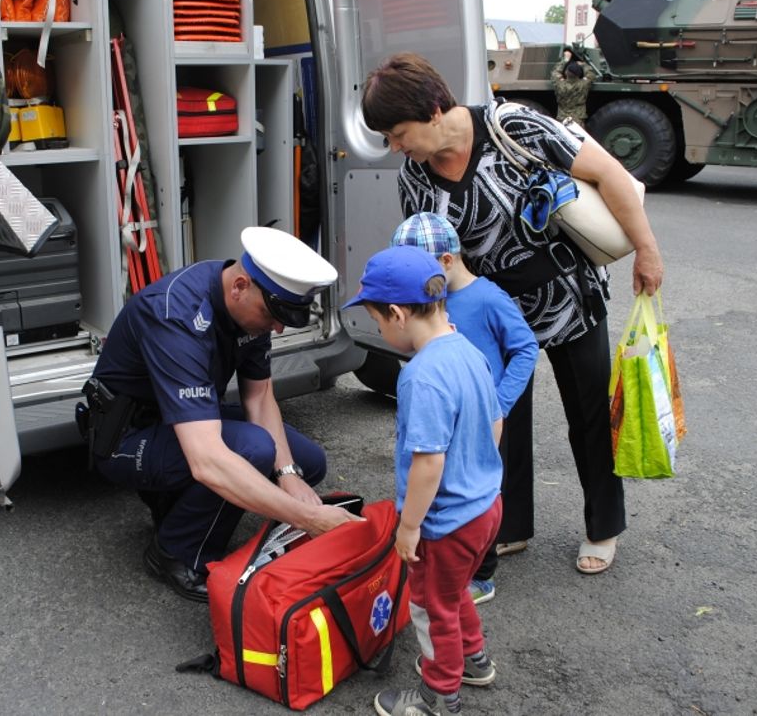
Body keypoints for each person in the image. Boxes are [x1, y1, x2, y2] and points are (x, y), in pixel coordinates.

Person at [361, 52, 664, 575]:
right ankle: (509, 524)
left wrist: (647, 250)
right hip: (488, 309)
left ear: (434, 110)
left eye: (397, 131)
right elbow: (427, 256)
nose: (395, 146)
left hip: (566, 294)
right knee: (497, 414)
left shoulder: (511, 127)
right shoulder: (414, 178)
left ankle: (603, 526)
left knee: (589, 414)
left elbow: (609, 174)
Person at [84, 226, 360, 602]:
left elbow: (260, 397)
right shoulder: (176, 317)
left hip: (184, 421)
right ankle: (174, 552)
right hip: (128, 436)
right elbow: (207, 461)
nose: (277, 327)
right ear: (239, 286)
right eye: (272, 314)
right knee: (252, 451)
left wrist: (289, 475)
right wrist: (306, 517)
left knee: (306, 463)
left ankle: (178, 502)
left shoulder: (251, 301)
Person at [343, 244, 503, 716]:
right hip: (485, 507)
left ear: (396, 313)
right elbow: (495, 423)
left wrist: (409, 526)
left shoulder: (421, 376)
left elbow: (428, 464)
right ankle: (473, 661)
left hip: (445, 523)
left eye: (376, 321)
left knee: (432, 609)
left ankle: (439, 696)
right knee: (452, 594)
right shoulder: (466, 348)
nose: (378, 329)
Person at [389, 212, 537, 604]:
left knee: (481, 493)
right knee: (445, 488)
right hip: (445, 415)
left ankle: (482, 575)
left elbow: (525, 348)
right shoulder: (428, 302)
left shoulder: (487, 297)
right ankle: (450, 557)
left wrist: (500, 403)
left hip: (484, 417)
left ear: (447, 262)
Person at [552, 48, 597, 125]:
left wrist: (565, 60)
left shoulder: (559, 83)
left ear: (566, 73)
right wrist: (583, 64)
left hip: (562, 119)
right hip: (578, 120)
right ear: (579, 75)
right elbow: (591, 75)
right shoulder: (583, 84)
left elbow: (555, 72)